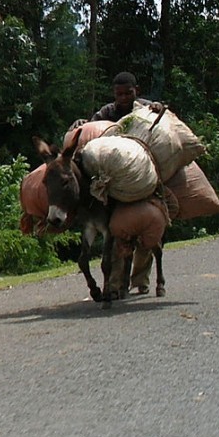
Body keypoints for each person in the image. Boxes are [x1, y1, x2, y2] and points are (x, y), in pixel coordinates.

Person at [75, 71, 158, 297]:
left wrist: (158, 108)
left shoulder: (145, 108)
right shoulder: (107, 112)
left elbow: (162, 117)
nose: (123, 98)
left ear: (136, 91)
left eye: (127, 93)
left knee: (146, 232)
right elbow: (91, 126)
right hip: (114, 181)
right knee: (117, 233)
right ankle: (114, 285)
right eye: (119, 94)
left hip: (139, 178)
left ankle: (140, 280)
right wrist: (81, 124)